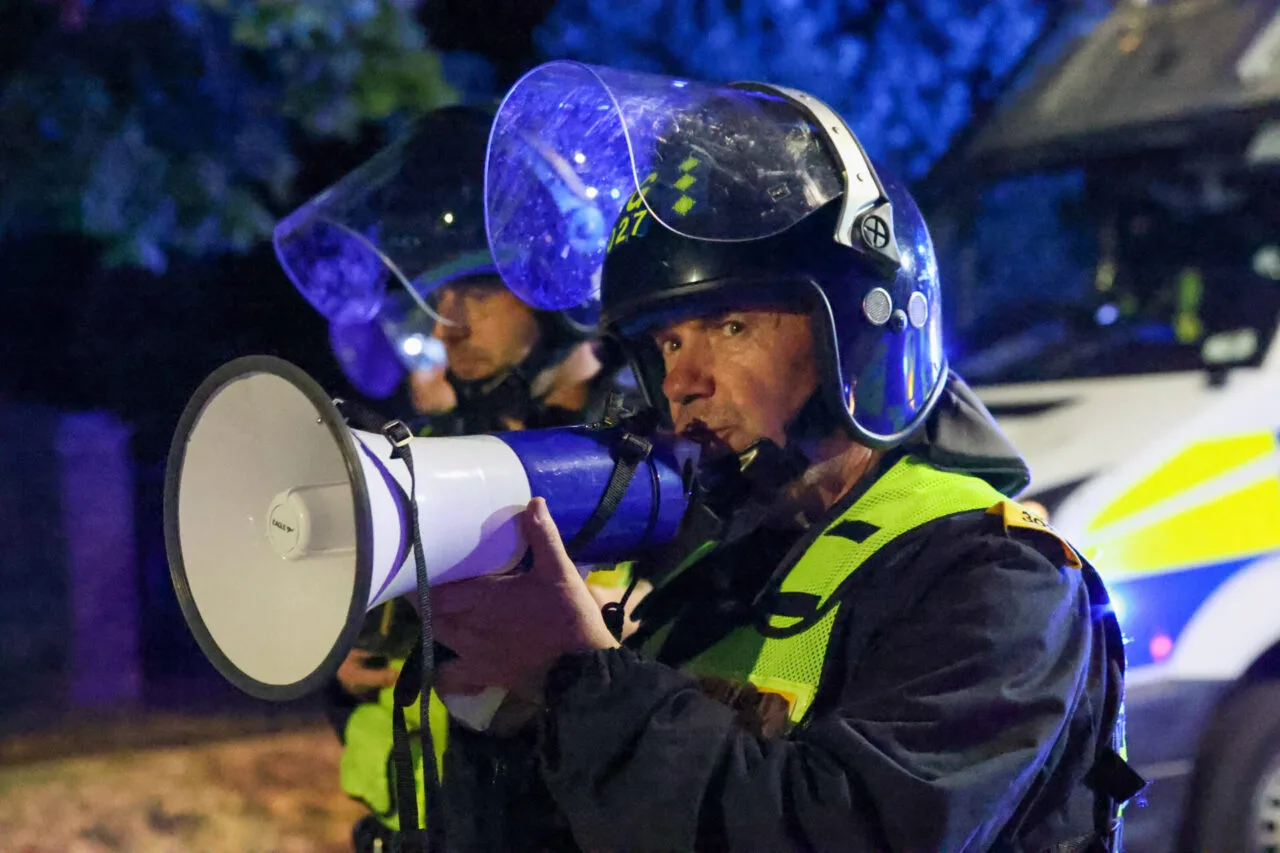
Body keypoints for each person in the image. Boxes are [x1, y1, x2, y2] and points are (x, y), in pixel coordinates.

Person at [426, 63, 1144, 852]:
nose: (681, 382)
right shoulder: (708, 563)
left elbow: (845, 832)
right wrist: (505, 715)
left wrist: (577, 678)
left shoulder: (1000, 578)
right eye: (666, 341)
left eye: (730, 326)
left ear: (859, 330)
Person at [272, 103, 642, 853]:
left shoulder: (650, 458)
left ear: (556, 285)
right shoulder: (449, 446)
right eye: (436, 299)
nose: (444, 327)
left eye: (472, 292)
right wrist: (343, 674)